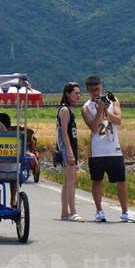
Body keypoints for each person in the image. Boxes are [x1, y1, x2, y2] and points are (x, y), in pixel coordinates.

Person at [81, 75, 135, 223]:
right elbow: (93, 128)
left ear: (102, 87)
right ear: (88, 90)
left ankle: (125, 211)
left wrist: (107, 111)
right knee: (97, 180)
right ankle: (99, 211)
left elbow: (118, 120)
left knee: (121, 180)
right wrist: (99, 111)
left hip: (114, 149)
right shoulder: (86, 107)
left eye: (98, 89)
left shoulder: (113, 101)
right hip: (97, 150)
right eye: (92, 90)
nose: (95, 93)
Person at [57, 82, 83, 221]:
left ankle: (64, 212)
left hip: (69, 148)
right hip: (67, 149)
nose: (78, 96)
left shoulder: (67, 109)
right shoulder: (65, 110)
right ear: (68, 94)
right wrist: (70, 151)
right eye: (76, 93)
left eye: (79, 93)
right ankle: (73, 211)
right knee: (71, 180)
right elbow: (64, 133)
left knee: (67, 181)